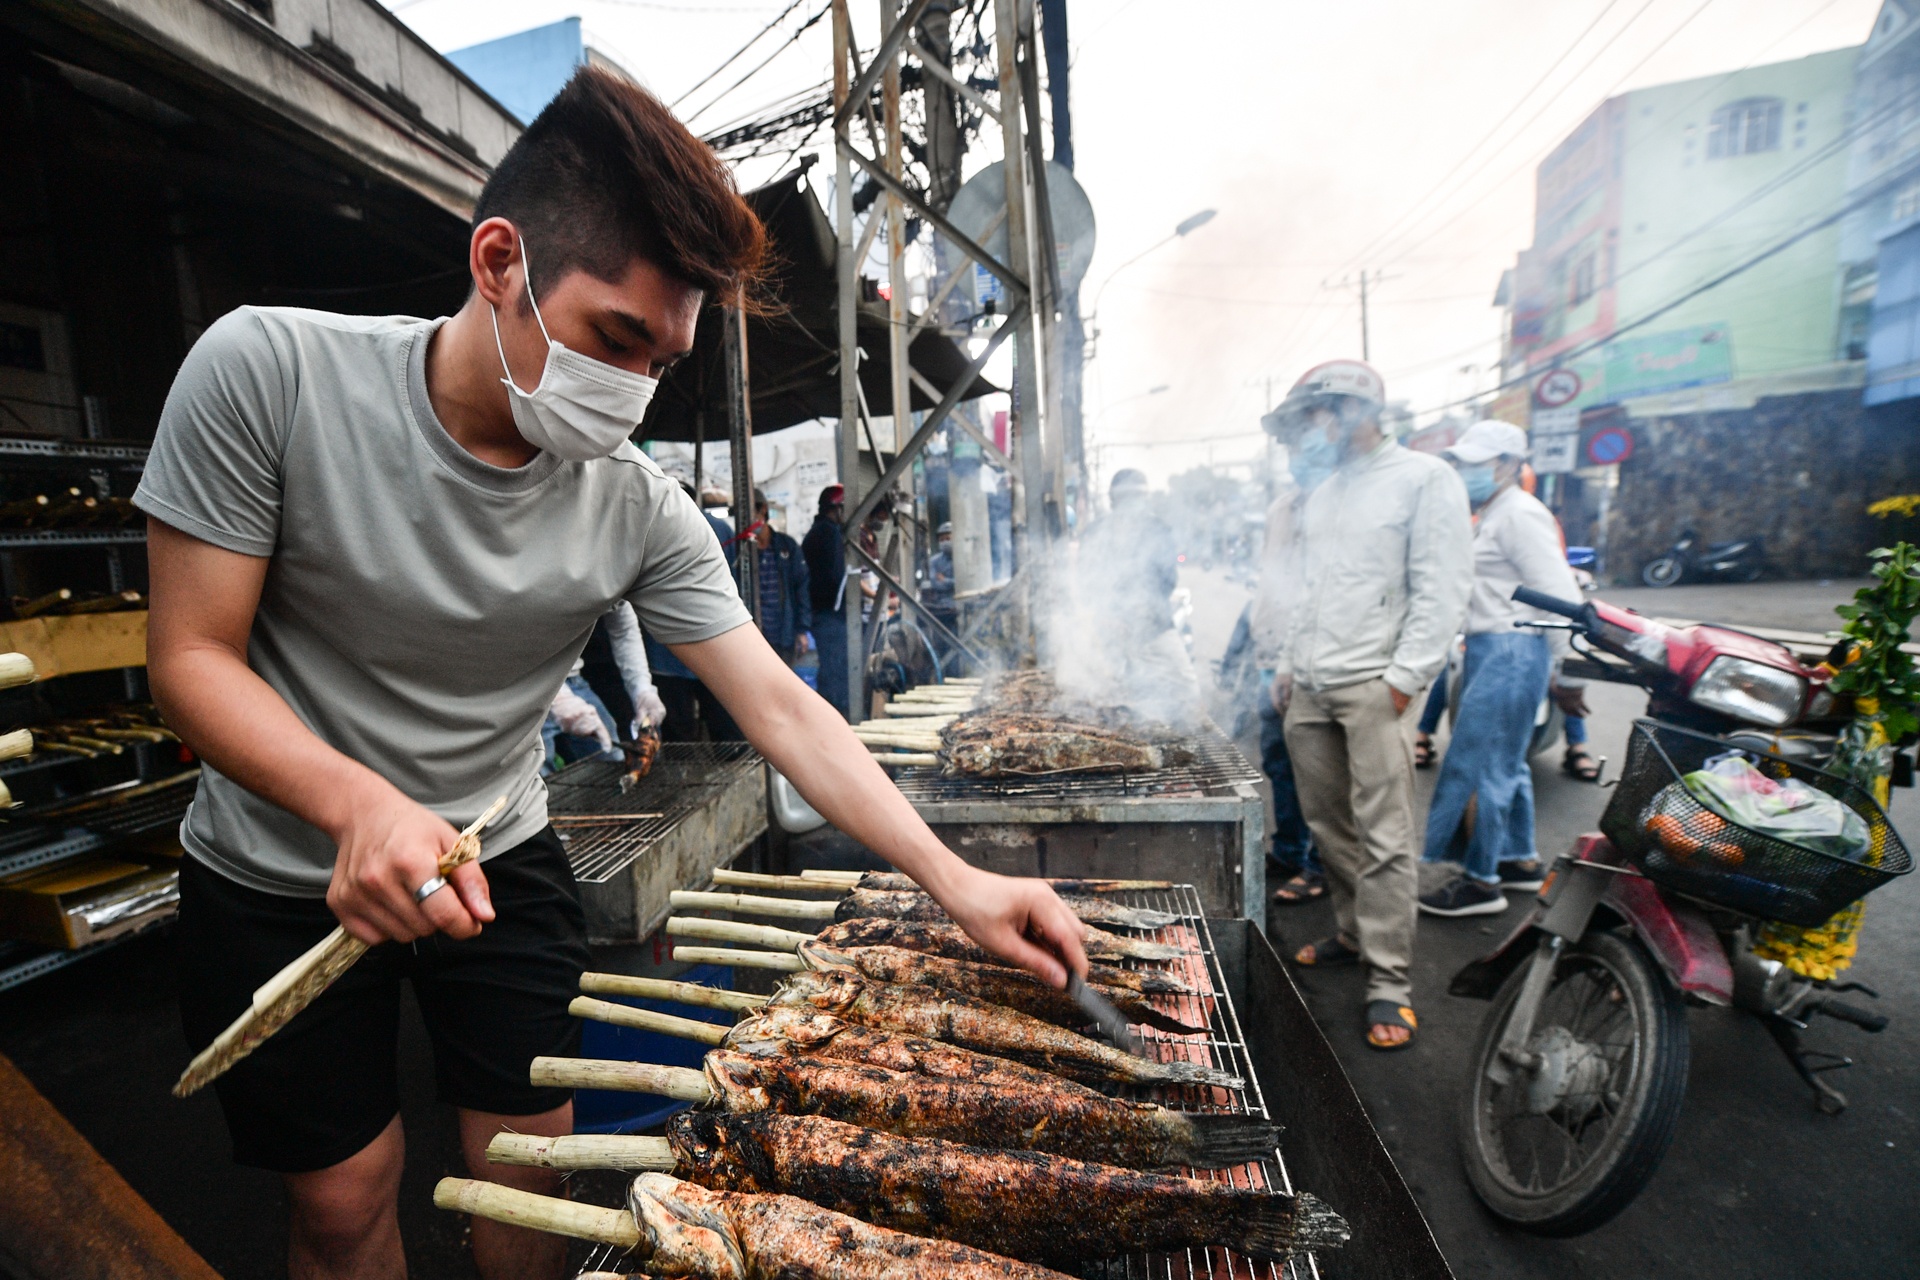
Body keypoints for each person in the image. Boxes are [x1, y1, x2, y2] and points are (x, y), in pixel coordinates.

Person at [140, 67, 1088, 1280]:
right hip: (278, 862)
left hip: (495, 843)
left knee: (527, 1180)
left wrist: (959, 880)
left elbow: (786, 710)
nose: (634, 391)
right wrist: (357, 803)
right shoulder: (266, 373)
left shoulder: (639, 506)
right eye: (614, 339)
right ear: (499, 263)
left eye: (663, 359)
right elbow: (191, 658)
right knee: (344, 1196)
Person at [1264, 359, 1472, 1051]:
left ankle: (1389, 980)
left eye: (1313, 418)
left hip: (1374, 686)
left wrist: (1405, 680)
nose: (1307, 435)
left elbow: (1442, 589)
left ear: (1355, 411)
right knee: (1328, 827)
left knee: (1385, 836)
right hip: (1313, 687)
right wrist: (1288, 664)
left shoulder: (1423, 479)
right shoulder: (1323, 495)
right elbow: (1306, 591)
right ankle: (1353, 933)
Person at [1417, 420, 1588, 917]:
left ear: (1512, 465)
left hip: (1511, 650)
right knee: (1505, 762)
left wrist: (1568, 674)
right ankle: (1515, 859)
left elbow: (1560, 599)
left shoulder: (1519, 515)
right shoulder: (1494, 514)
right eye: (1464, 462)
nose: (1467, 472)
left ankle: (1480, 881)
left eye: (1478, 463)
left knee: (1484, 763)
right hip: (1497, 649)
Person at [1067, 469, 1202, 726]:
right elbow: (1086, 583)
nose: (1132, 502)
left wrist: (1142, 613)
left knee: (1186, 689)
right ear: (1113, 500)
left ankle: (1190, 739)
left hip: (1154, 628)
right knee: (1107, 695)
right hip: (1109, 631)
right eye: (1126, 496)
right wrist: (1108, 618)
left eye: (1138, 496)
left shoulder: (1158, 530)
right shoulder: (1095, 533)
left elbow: (1167, 581)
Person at [1249, 455, 1321, 906]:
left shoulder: (1340, 505)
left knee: (1316, 770)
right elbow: (1268, 578)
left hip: (1309, 657)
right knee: (1277, 760)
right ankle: (1289, 849)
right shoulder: (1280, 508)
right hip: (1272, 651)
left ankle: (1319, 866)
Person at [649, 482, 741, 742]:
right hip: (700, 647)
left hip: (677, 648)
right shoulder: (718, 528)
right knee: (718, 726)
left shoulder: (714, 528)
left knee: (686, 732)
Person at [745, 489, 812, 666]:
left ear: (763, 510)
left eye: (751, 513)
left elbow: (802, 587)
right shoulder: (742, 551)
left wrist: (802, 630)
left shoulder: (787, 546)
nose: (747, 520)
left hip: (784, 634)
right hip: (754, 637)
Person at [802, 484, 851, 717]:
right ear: (837, 508)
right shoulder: (828, 533)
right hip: (830, 614)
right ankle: (836, 719)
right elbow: (836, 576)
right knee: (836, 673)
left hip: (823, 613)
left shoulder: (817, 532)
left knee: (832, 670)